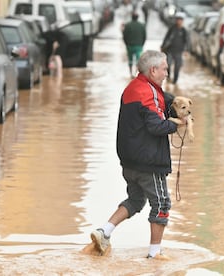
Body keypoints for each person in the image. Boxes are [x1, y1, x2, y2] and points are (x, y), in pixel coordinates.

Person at [89, 50, 186, 259]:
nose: (167, 73)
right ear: (153, 70)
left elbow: (160, 103)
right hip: (148, 162)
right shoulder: (147, 92)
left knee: (135, 199)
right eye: (164, 69)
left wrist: (175, 105)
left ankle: (104, 231)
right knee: (161, 204)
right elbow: (156, 126)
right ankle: (154, 254)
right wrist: (177, 124)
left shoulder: (133, 88)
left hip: (129, 161)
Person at [161, 12, 188, 84]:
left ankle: (175, 81)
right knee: (168, 64)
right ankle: (168, 77)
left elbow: (187, 41)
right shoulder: (172, 29)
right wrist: (163, 46)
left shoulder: (184, 30)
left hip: (179, 52)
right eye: (177, 19)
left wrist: (186, 50)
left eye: (180, 20)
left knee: (177, 67)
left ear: (182, 21)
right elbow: (166, 38)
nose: (178, 21)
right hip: (170, 50)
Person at [122, 12, 146, 78]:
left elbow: (124, 36)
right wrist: (141, 44)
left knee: (130, 60)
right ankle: (135, 74)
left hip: (130, 46)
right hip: (139, 46)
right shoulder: (141, 26)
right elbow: (144, 36)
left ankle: (130, 73)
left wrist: (126, 44)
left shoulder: (127, 25)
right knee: (138, 61)